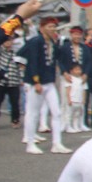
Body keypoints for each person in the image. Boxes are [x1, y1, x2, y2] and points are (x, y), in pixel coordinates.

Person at [21, 17, 70, 155]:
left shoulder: (53, 43)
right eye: (49, 26)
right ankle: (30, 142)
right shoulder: (36, 41)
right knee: (33, 113)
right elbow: (33, 62)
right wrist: (35, 81)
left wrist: (65, 71)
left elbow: (58, 59)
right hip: (36, 83)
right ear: (42, 28)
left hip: (49, 82)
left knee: (56, 112)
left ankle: (57, 143)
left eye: (54, 27)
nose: (53, 29)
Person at [58, 27, 91, 132]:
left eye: (79, 34)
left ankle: (80, 123)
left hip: (80, 76)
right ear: (71, 35)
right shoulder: (65, 47)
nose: (77, 36)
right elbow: (60, 61)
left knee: (81, 102)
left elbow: (89, 62)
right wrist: (64, 73)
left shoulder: (85, 48)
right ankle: (65, 123)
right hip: (68, 75)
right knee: (66, 101)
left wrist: (85, 73)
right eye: (75, 34)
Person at [0, 36, 23, 130]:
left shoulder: (16, 53)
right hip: (1, 81)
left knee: (15, 102)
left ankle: (15, 120)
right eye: (6, 40)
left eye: (10, 40)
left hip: (14, 81)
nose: (8, 42)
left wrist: (21, 79)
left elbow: (20, 67)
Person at [64, 64, 86, 133]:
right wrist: (69, 99)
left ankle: (75, 126)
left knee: (77, 114)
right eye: (76, 70)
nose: (78, 71)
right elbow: (68, 90)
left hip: (79, 100)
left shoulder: (81, 80)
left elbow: (83, 90)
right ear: (71, 71)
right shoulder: (70, 79)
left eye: (79, 69)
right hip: (72, 100)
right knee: (69, 114)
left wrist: (83, 99)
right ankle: (68, 126)